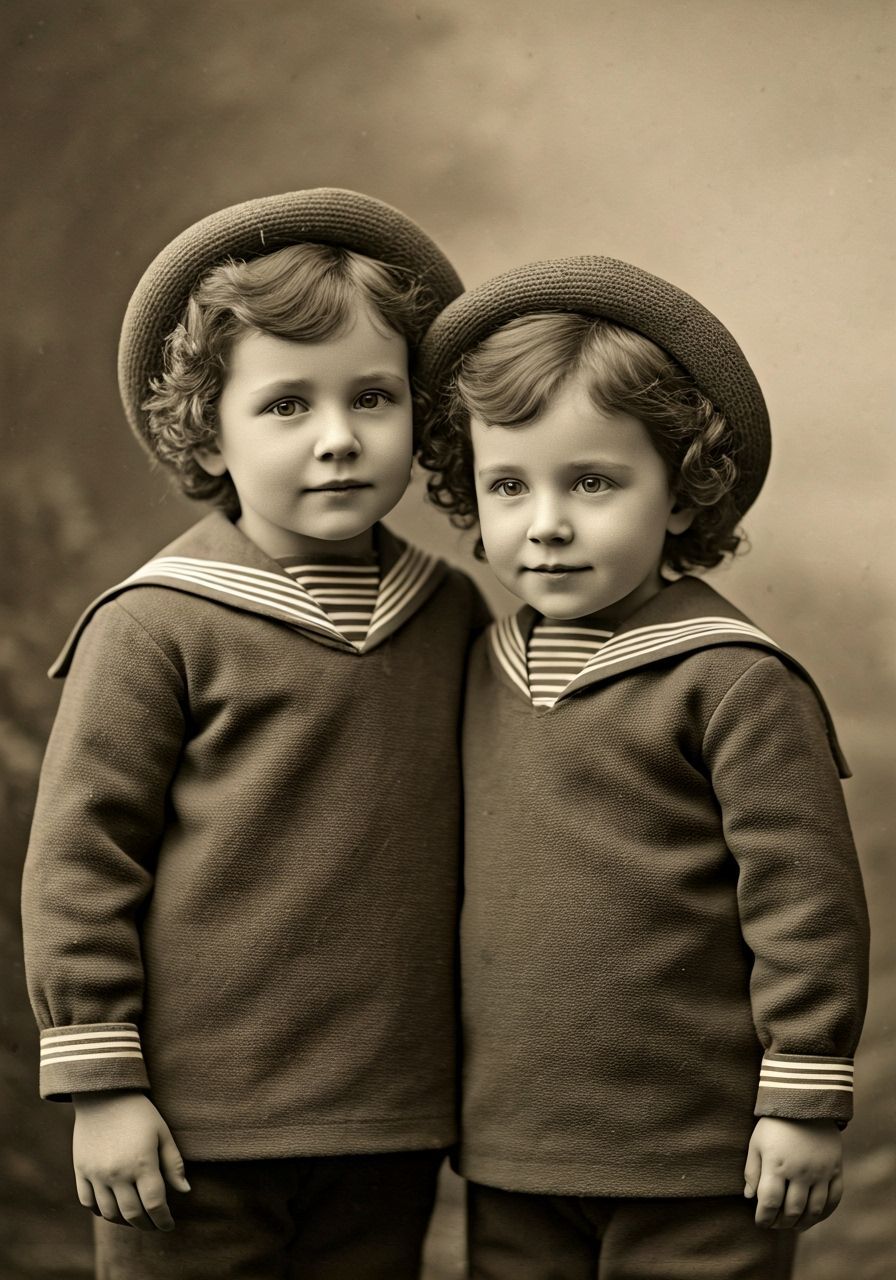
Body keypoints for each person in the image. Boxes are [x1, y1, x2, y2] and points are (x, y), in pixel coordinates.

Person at [22, 188, 487, 1280]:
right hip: (194, 1128)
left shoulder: (453, 614)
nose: (338, 440)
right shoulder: (153, 623)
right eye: (286, 406)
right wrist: (105, 1085)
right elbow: (80, 866)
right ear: (207, 428)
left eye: (372, 397)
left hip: (388, 1119)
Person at [417, 256, 869, 1279]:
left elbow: (806, 905)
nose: (545, 522)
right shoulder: (478, 664)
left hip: (696, 1153)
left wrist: (800, 1098)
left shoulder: (731, 681)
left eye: (591, 480)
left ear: (678, 492)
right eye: (507, 484)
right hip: (515, 1148)